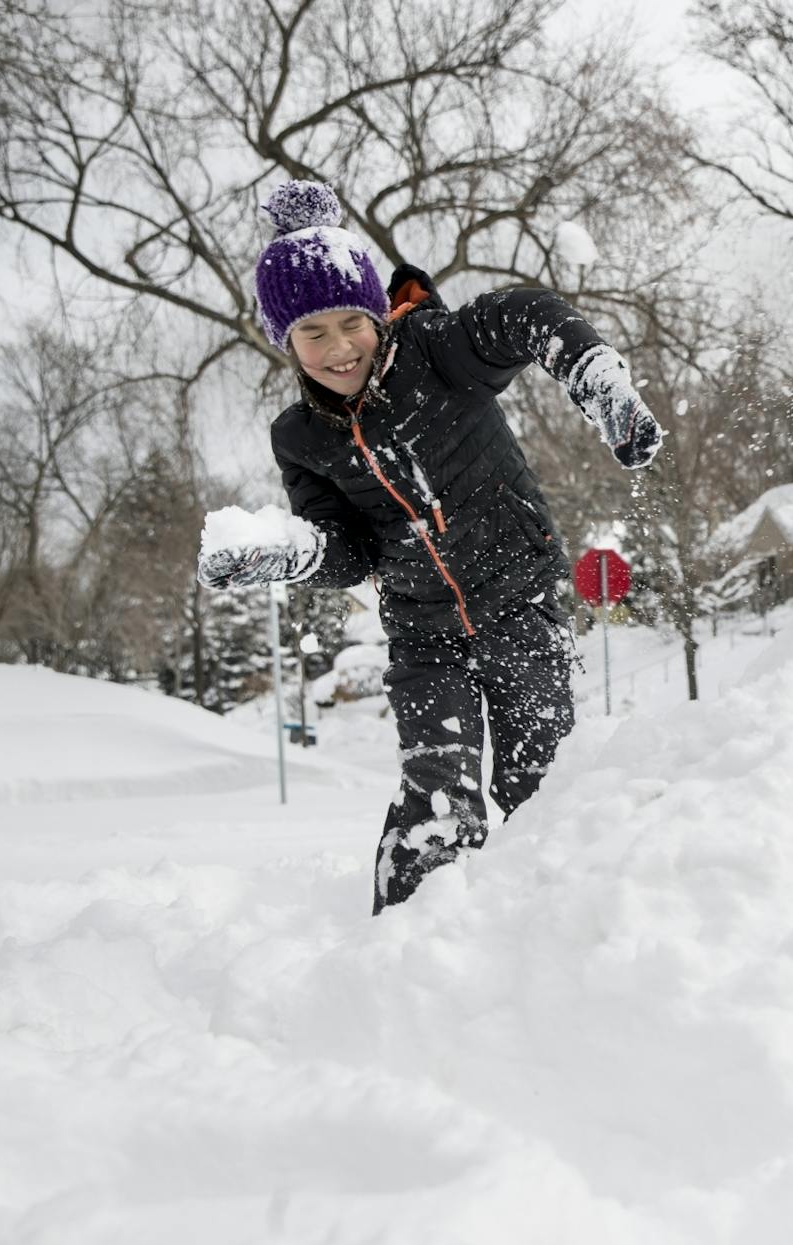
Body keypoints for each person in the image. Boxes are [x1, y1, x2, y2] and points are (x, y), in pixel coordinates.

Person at [200, 179, 664, 913]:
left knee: (540, 786)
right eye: (311, 334)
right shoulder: (300, 437)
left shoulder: (438, 350)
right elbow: (349, 550)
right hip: (423, 634)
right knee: (437, 802)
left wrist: (595, 376)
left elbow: (526, 312)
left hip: (520, 603)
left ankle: (561, 930)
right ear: (283, 342)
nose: (338, 348)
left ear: (376, 314)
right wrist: (291, 554)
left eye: (351, 322)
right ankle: (404, 958)